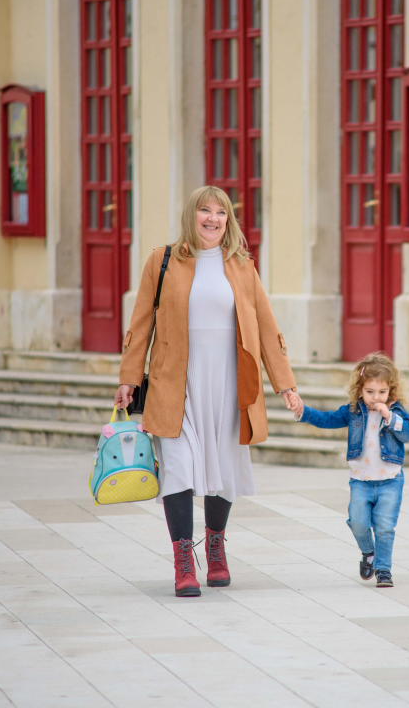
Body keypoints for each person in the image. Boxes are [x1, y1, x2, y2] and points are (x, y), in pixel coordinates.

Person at [115, 186, 300, 597]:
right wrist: (129, 377)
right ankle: (183, 560)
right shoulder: (162, 261)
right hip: (174, 384)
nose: (213, 218)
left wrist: (285, 384)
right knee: (178, 467)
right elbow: (141, 323)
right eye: (204, 210)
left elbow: (266, 327)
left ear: (228, 220)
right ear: (191, 215)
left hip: (228, 385)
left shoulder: (242, 266)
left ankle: (216, 548)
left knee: (223, 469)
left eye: (221, 212)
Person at [290, 353, 409, 587]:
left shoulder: (396, 412)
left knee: (385, 527)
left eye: (382, 392)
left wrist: (389, 417)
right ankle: (368, 551)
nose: (376, 397)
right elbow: (328, 419)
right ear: (360, 390)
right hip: (360, 480)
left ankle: (383, 570)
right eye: (370, 391)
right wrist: (302, 411)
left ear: (391, 390)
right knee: (357, 522)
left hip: (390, 480)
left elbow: (408, 434)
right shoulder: (354, 411)